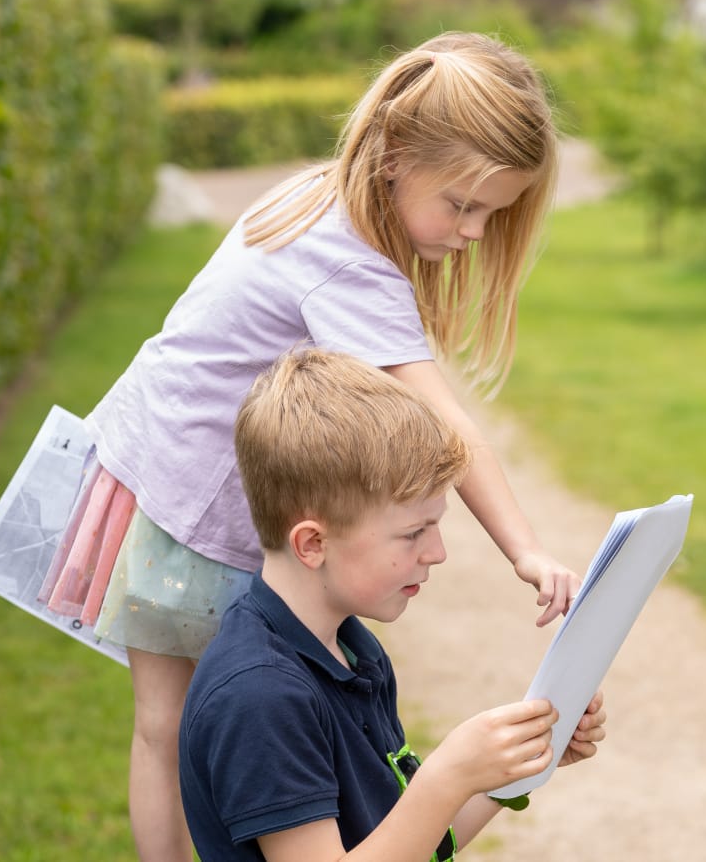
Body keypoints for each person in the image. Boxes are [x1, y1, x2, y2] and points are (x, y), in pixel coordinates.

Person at [65, 31, 582, 862]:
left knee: (170, 730)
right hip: (192, 505)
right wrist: (525, 549)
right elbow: (446, 422)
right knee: (220, 720)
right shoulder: (351, 265)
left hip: (155, 465)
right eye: (461, 204)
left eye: (493, 212)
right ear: (395, 158)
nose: (476, 232)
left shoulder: (317, 198)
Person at [180, 348, 607, 861]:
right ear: (312, 544)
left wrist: (512, 768)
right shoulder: (260, 698)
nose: (438, 552)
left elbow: (403, 841)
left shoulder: (348, 649)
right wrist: (447, 778)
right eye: (412, 533)